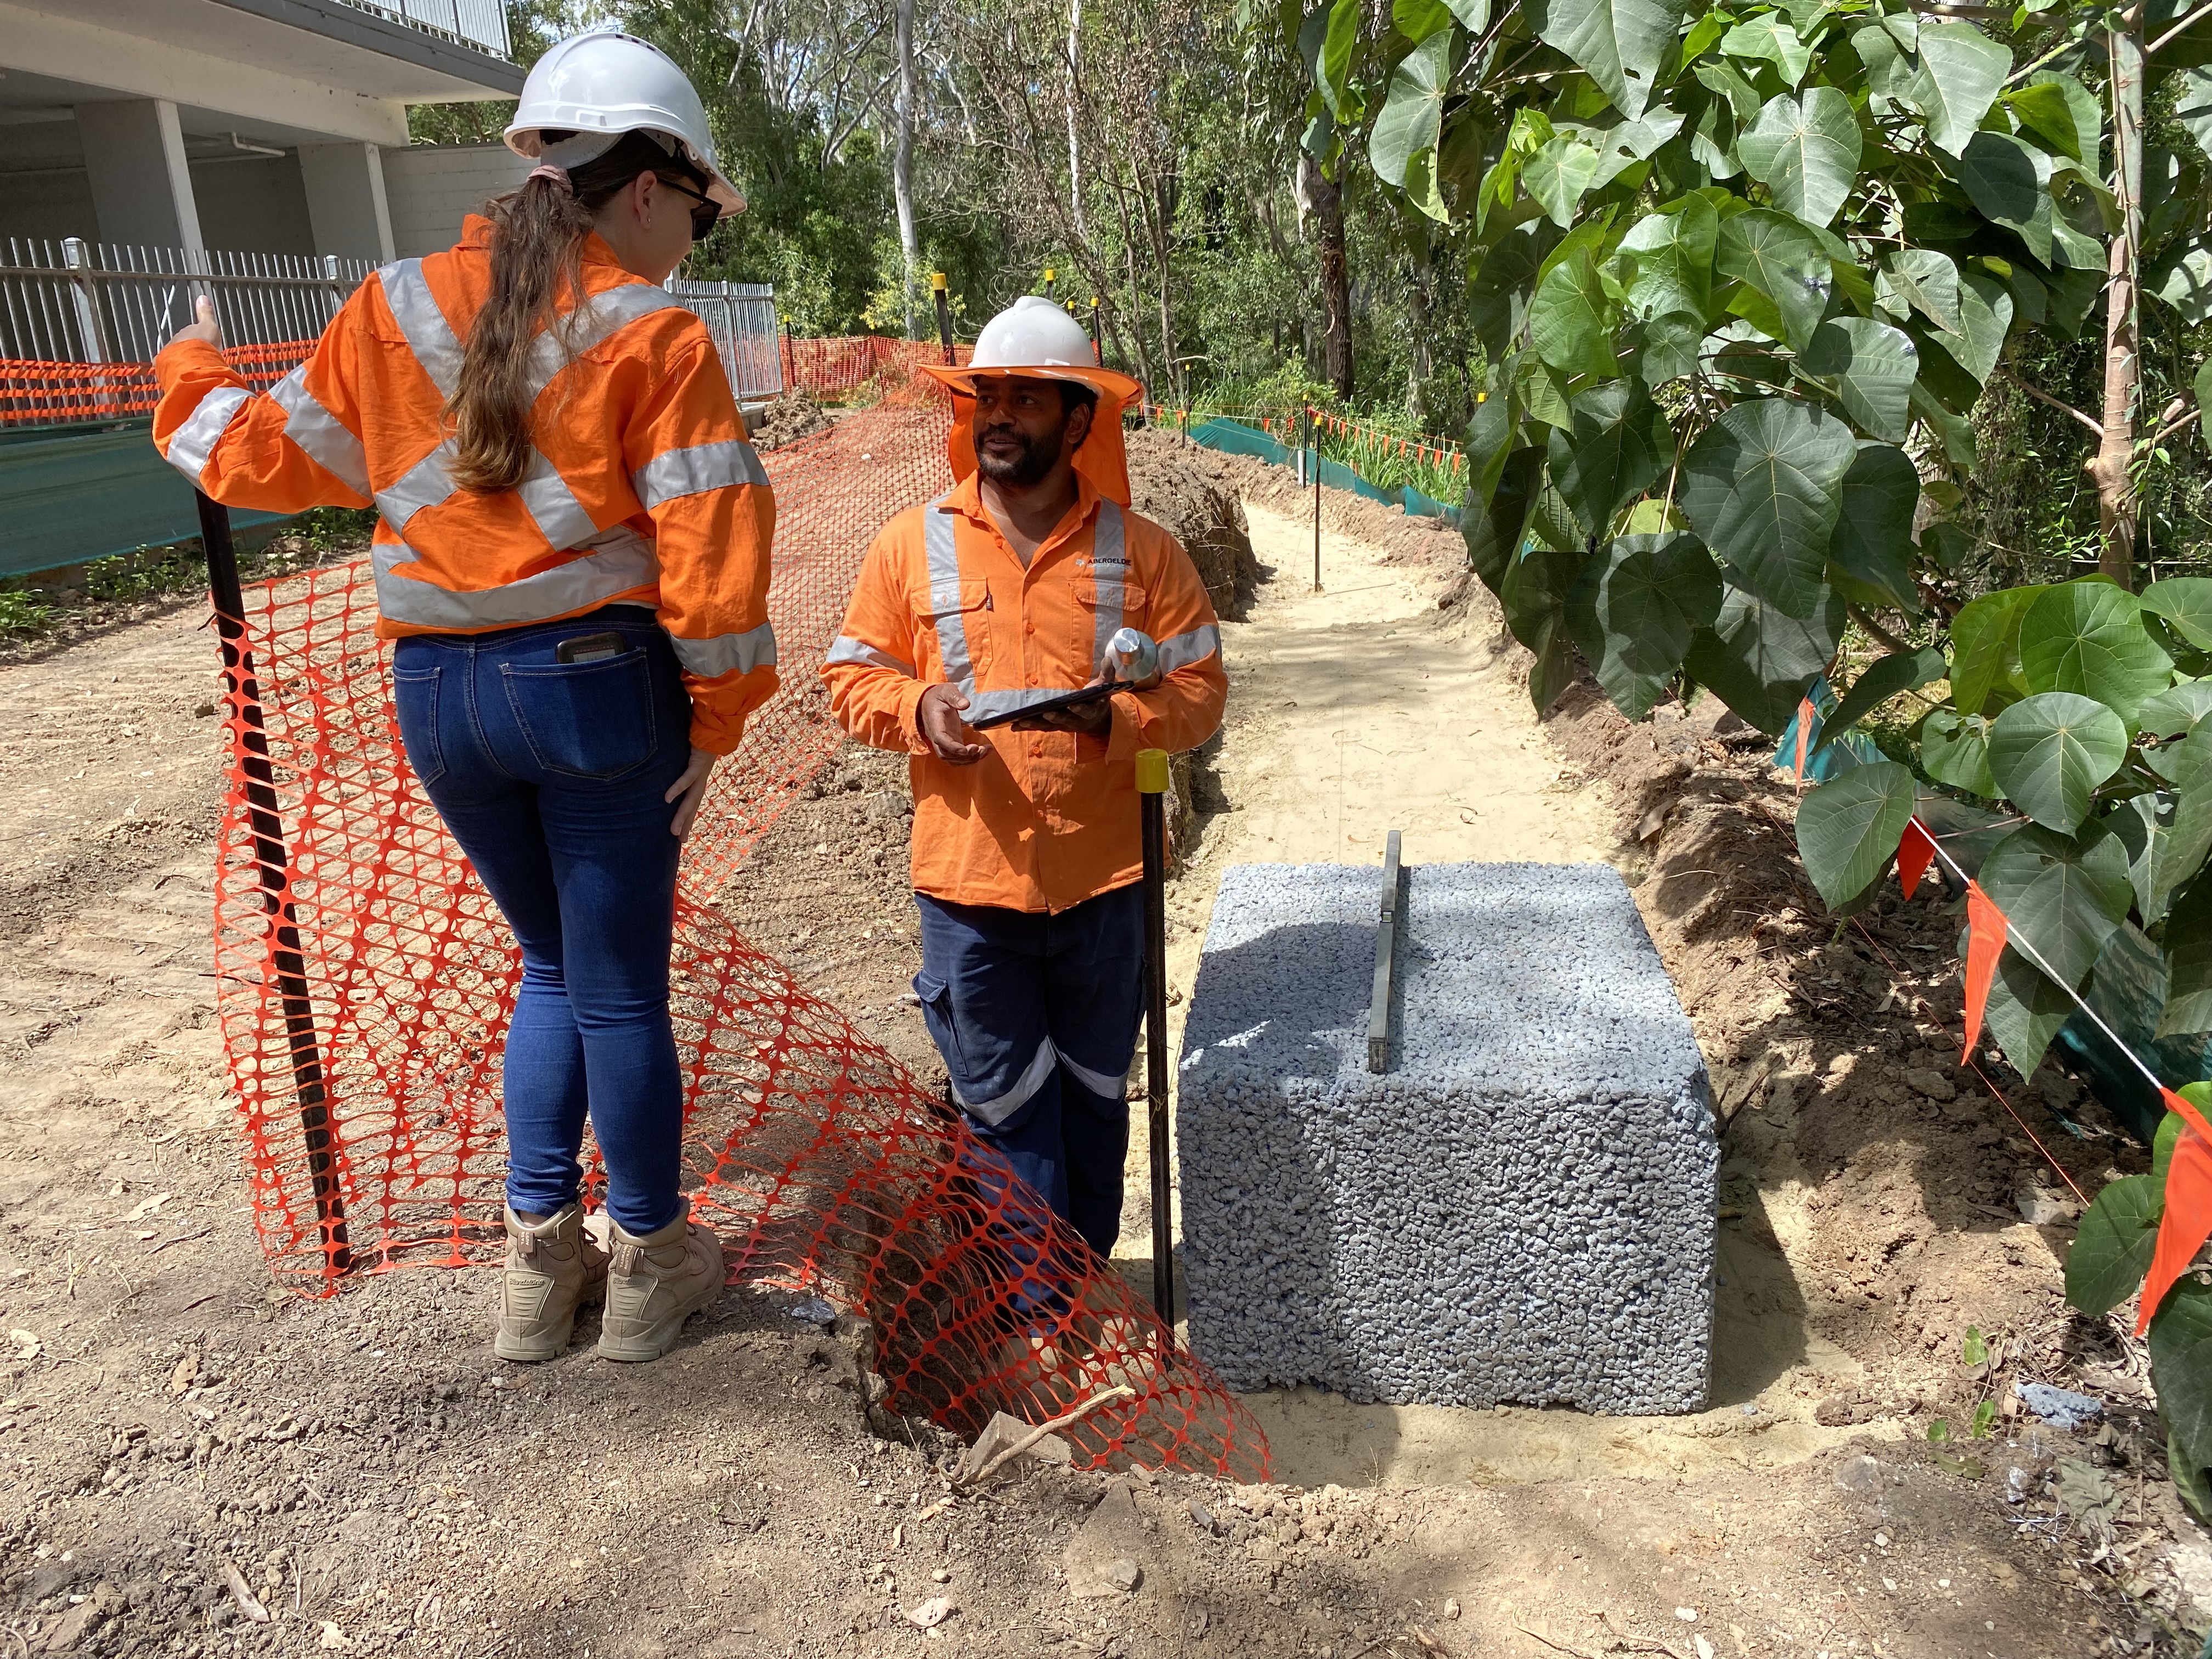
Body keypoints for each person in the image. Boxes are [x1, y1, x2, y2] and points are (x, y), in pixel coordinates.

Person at [151, 30, 773, 1365]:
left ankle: (537, 1273)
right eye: (698, 220)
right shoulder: (654, 332)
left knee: (551, 964)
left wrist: (189, 373)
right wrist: (716, 721)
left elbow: (252, 457)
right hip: (596, 695)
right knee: (617, 991)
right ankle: (655, 1261)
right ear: (651, 188)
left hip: (437, 696)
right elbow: (713, 544)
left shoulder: (392, 306)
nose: (692, 251)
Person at [821, 296, 1226, 1266]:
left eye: (1024, 401)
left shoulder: (1146, 552)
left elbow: (1203, 691)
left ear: (1079, 419)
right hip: (970, 890)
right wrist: (918, 708)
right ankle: (1037, 1326)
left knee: (1091, 1100)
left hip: (1106, 883)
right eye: (985, 398)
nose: (997, 416)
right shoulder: (908, 546)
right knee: (1004, 1116)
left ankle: (1081, 1291)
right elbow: (850, 674)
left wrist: (1120, 720)